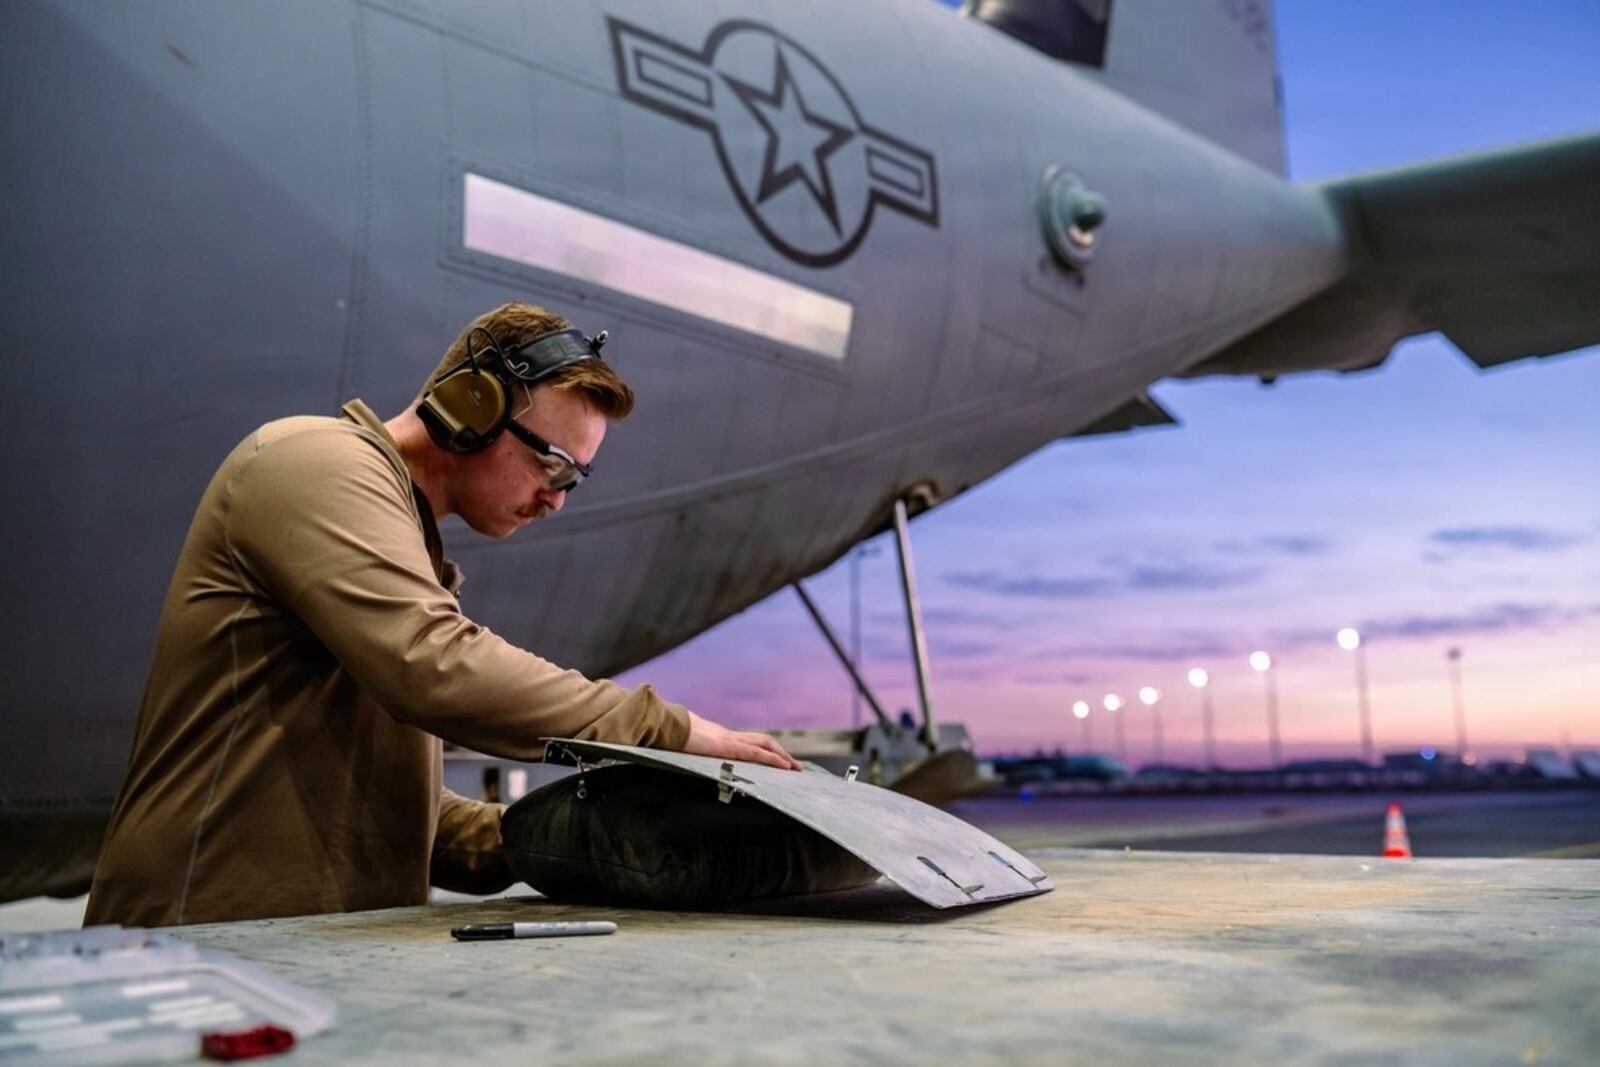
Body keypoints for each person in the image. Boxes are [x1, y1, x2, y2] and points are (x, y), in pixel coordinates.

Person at [86, 302, 798, 928]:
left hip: (296, 955)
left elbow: (394, 814)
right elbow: (433, 665)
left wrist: (565, 835)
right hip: (194, 943)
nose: (557, 499)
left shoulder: (403, 548)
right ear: (471, 407)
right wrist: (665, 729)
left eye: (576, 478)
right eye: (552, 464)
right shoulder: (313, 462)